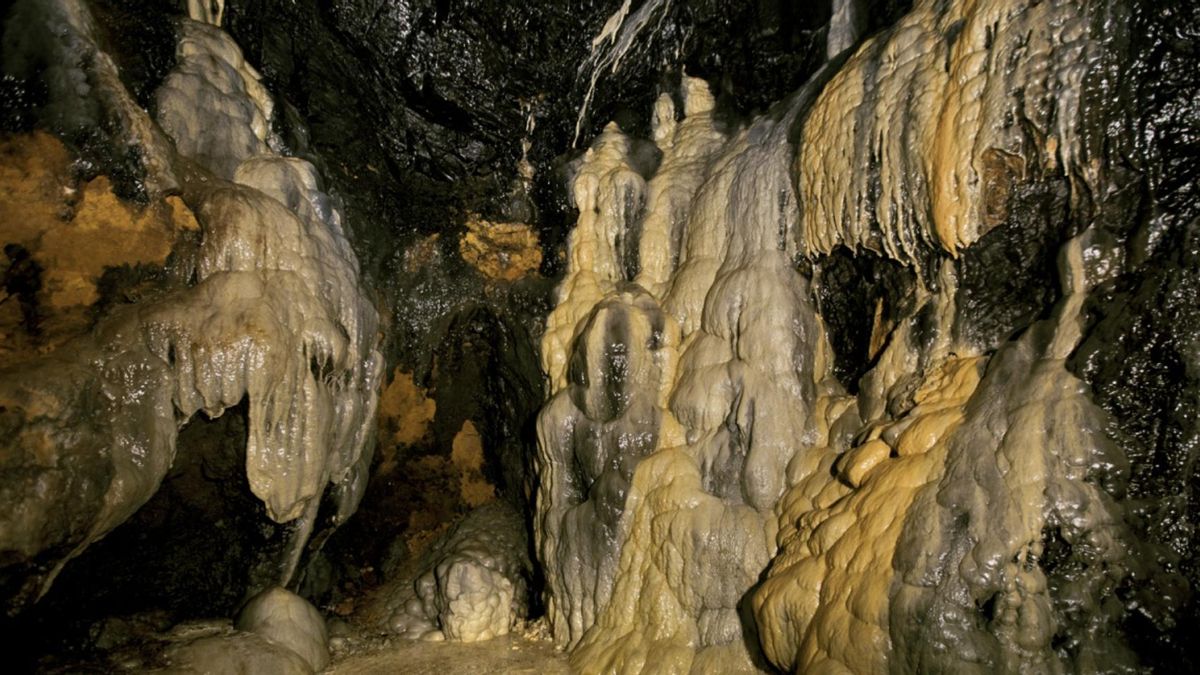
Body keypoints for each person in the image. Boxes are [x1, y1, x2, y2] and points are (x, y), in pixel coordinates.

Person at [3, 243, 43, 337]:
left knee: (28, 308)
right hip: (27, 289)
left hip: (27, 289)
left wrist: (11, 287)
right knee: (29, 308)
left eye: (9, 254)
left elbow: (16, 278)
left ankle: (33, 329)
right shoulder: (25, 263)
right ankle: (32, 326)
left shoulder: (21, 265)